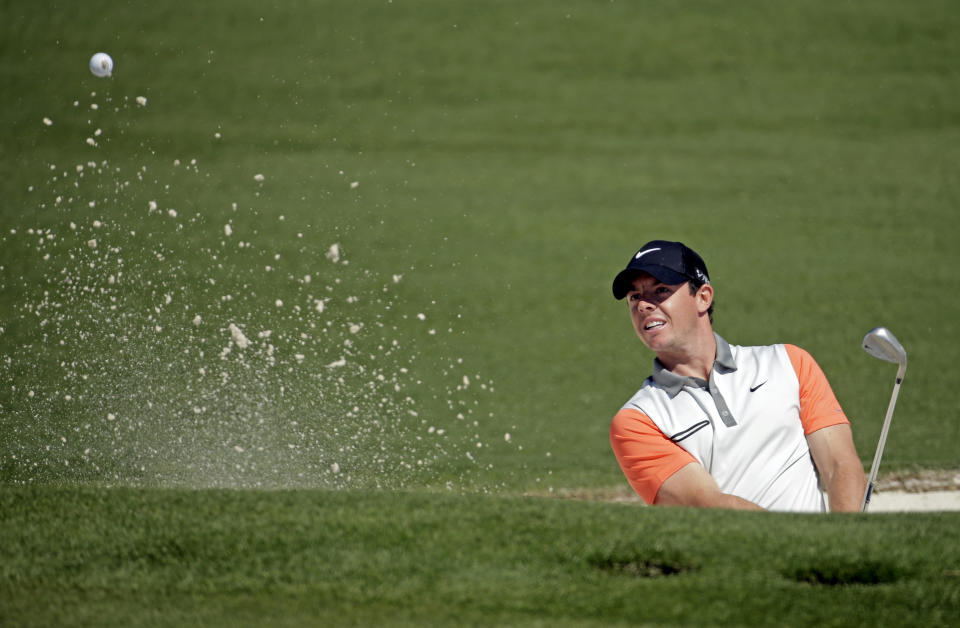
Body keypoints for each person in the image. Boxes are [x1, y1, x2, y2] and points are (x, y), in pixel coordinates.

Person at [608, 240, 866, 512]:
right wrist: (800, 547)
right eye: (634, 297)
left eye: (661, 290)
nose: (644, 306)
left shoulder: (789, 363)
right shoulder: (637, 421)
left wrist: (838, 544)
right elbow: (710, 506)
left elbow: (841, 466)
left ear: (703, 297)